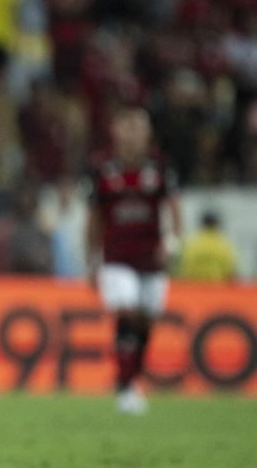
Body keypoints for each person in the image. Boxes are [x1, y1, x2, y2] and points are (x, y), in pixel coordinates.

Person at [85, 106, 182, 415]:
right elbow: (93, 220)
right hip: (116, 257)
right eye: (126, 127)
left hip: (151, 258)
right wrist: (91, 260)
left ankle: (127, 377)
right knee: (126, 310)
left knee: (146, 321)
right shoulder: (103, 169)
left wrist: (172, 243)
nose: (132, 134)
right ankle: (127, 389)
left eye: (138, 128)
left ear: (148, 133)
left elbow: (175, 209)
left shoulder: (161, 167)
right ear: (115, 132)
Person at [179, 211, 238, 282]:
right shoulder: (224, 245)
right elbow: (231, 273)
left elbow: (185, 270)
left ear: (202, 225)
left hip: (195, 289)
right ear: (217, 225)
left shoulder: (192, 244)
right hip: (218, 290)